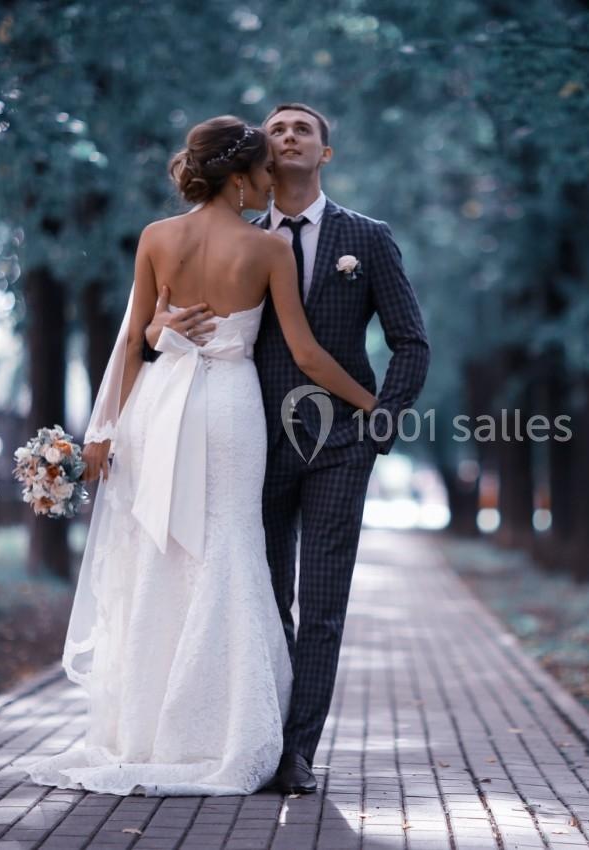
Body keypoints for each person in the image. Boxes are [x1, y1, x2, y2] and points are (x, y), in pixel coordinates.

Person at [24, 115, 378, 797]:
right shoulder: (268, 249)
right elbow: (304, 353)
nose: (268, 184)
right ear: (241, 176)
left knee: (162, 548)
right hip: (230, 406)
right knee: (230, 546)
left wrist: (108, 433)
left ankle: (149, 727)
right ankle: (223, 727)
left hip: (160, 403)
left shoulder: (158, 237)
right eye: (263, 174)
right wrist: (369, 402)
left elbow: (135, 341)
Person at [141, 103, 430, 794]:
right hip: (250, 441)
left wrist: (383, 420)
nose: (291, 135)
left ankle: (295, 752)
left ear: (325, 153)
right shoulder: (233, 238)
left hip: (341, 445)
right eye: (279, 128)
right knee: (263, 597)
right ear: (260, 157)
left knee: (323, 604)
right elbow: (155, 324)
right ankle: (255, 736)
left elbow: (411, 341)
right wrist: (164, 323)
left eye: (306, 128)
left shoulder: (368, 237)